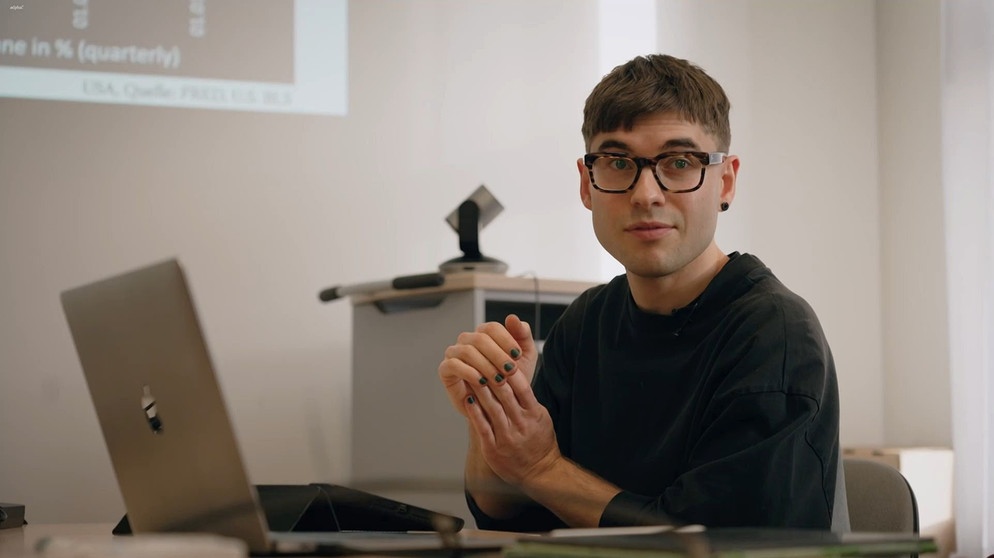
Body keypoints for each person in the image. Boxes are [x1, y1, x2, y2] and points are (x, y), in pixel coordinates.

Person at [437, 53, 841, 531]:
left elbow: (710, 544)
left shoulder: (773, 335)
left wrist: (541, 467)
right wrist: (494, 414)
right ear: (588, 184)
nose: (646, 193)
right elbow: (504, 510)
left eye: (679, 162)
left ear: (725, 181)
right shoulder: (586, 323)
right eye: (617, 162)